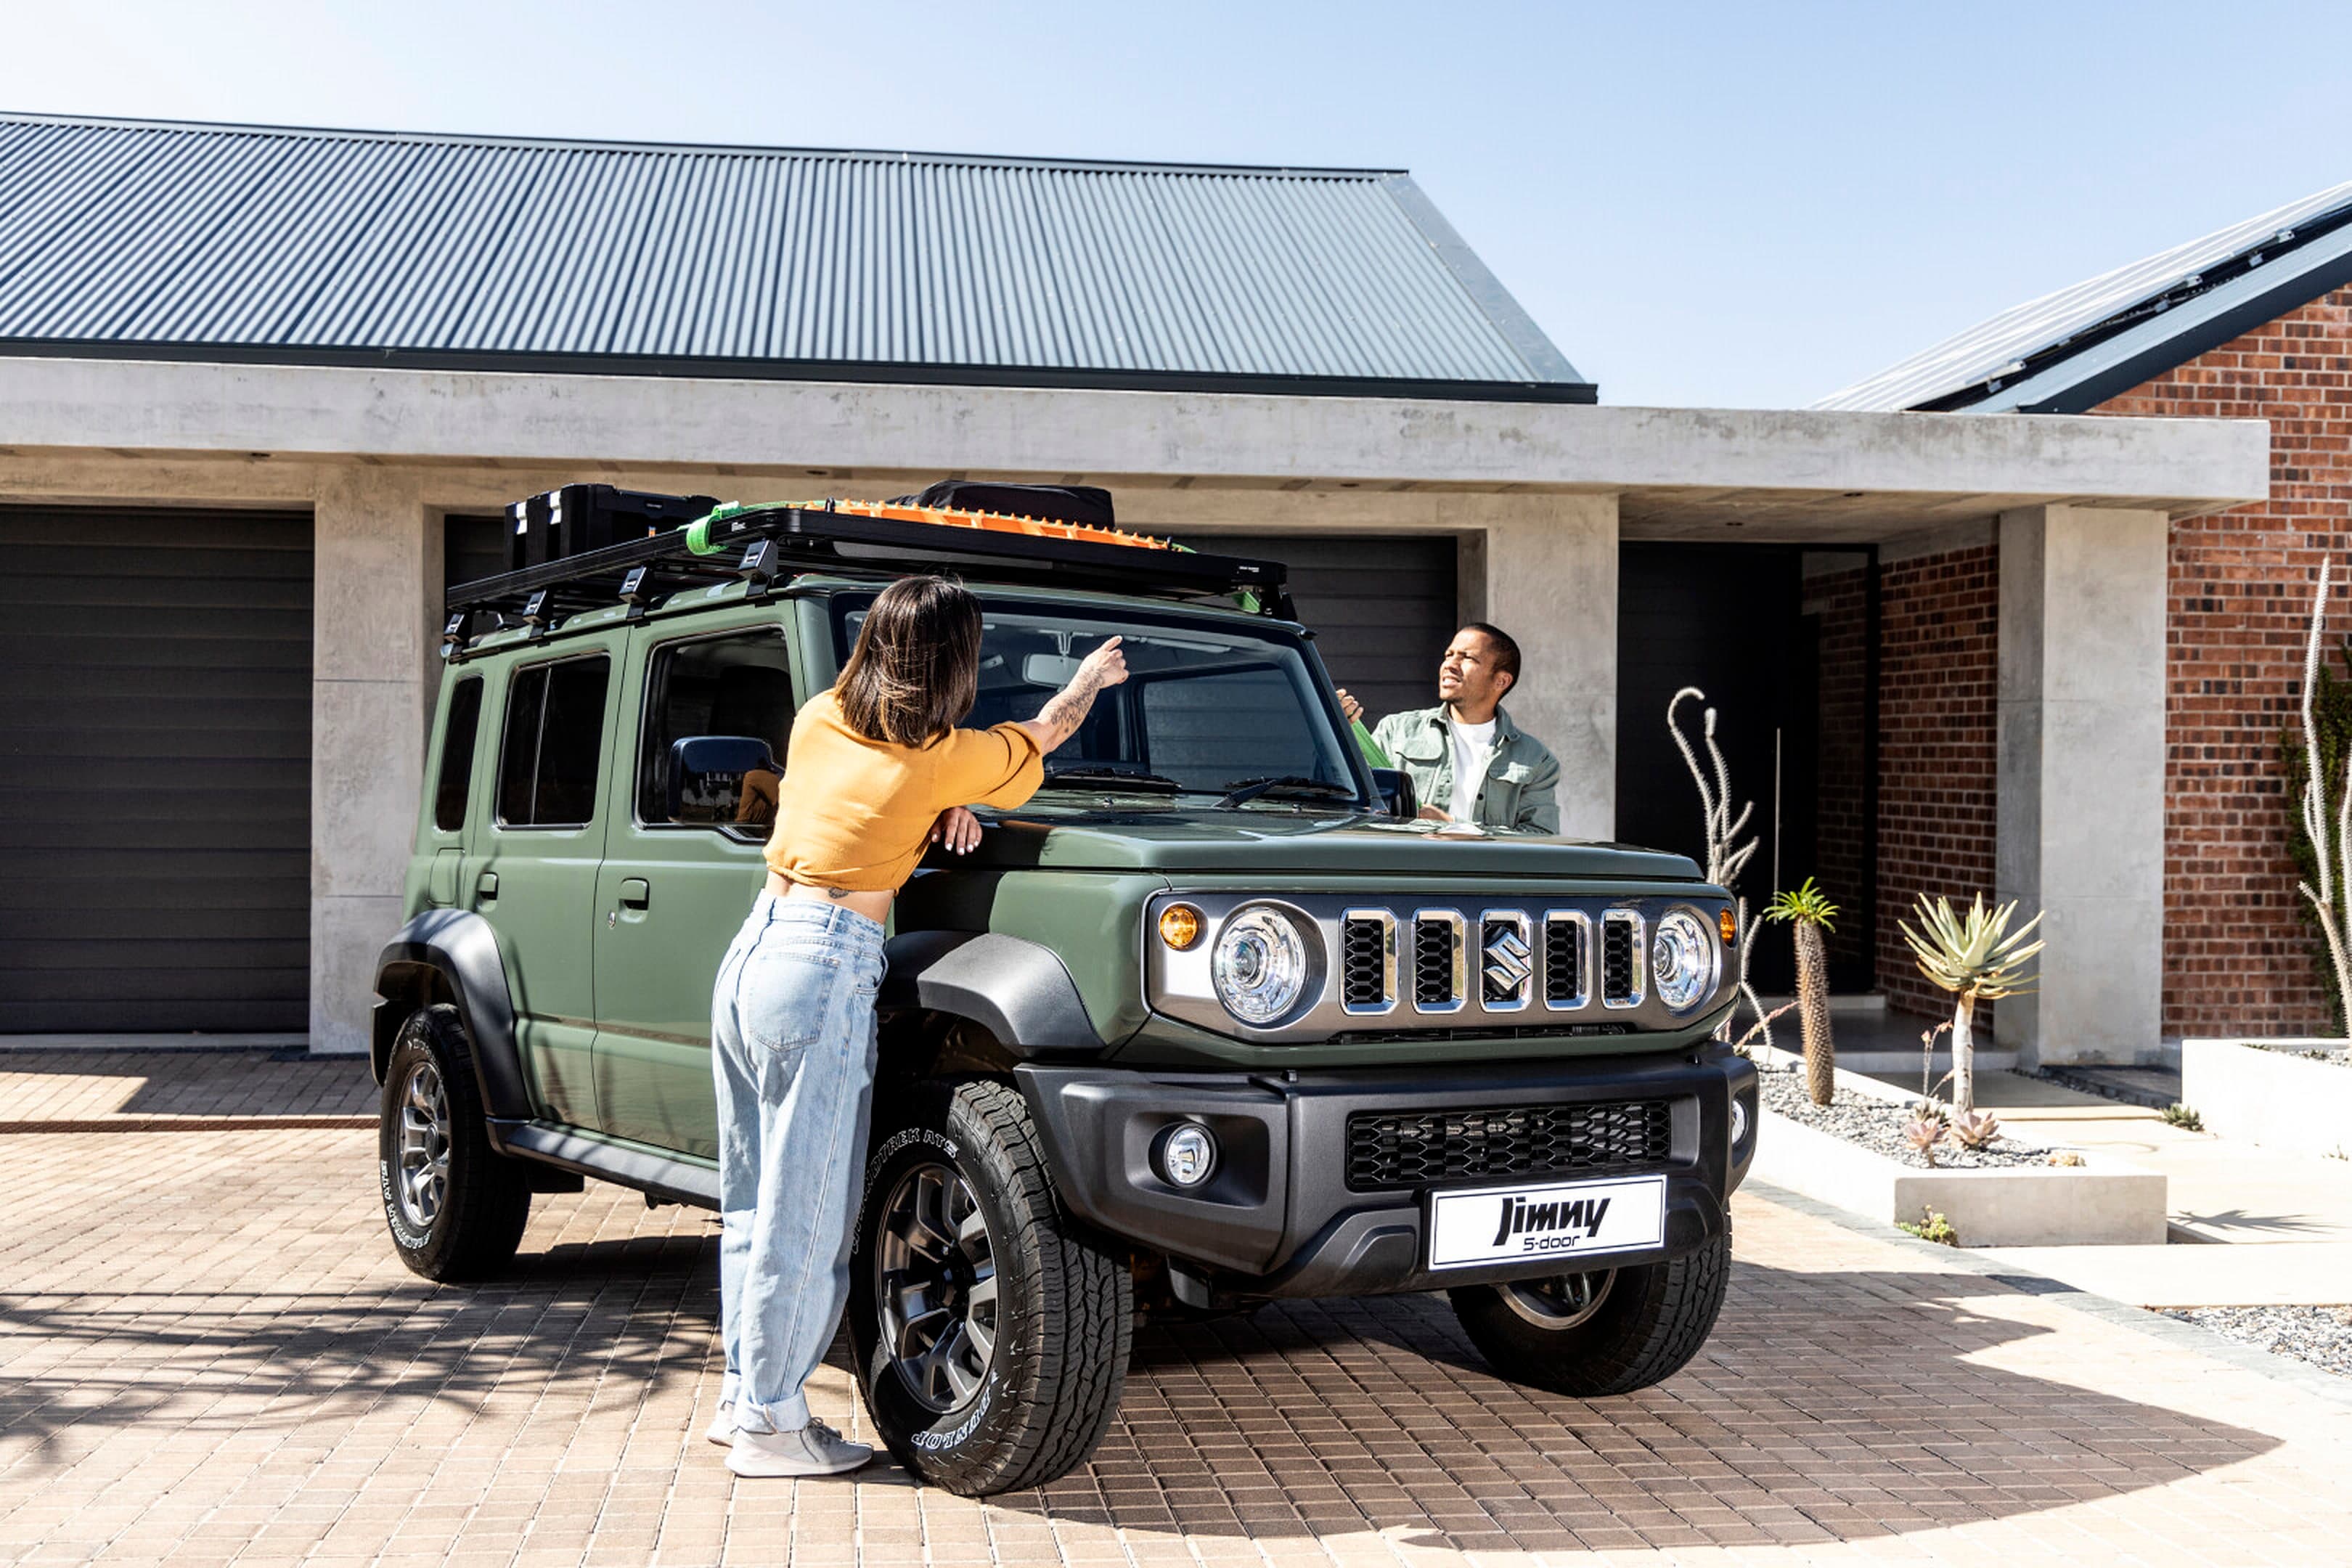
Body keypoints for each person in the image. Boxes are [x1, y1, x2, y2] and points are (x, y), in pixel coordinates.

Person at [707, 576, 1127, 1479]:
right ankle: (772, 1427)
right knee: (809, 1212)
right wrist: (1090, 675)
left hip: (752, 952)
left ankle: (745, 1394)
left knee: (752, 1197)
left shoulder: (819, 715)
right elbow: (1050, 728)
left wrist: (942, 803)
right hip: (822, 963)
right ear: (955, 661)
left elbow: (876, 785)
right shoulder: (945, 756)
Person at [1336, 622, 1560, 834]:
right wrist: (1337, 733)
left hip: (1480, 874)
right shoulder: (1397, 732)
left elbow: (1539, 836)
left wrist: (1454, 826)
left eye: (1467, 658)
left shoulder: (1535, 760)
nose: (1450, 665)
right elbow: (1354, 796)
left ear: (1501, 681)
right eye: (1449, 655)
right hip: (1407, 868)